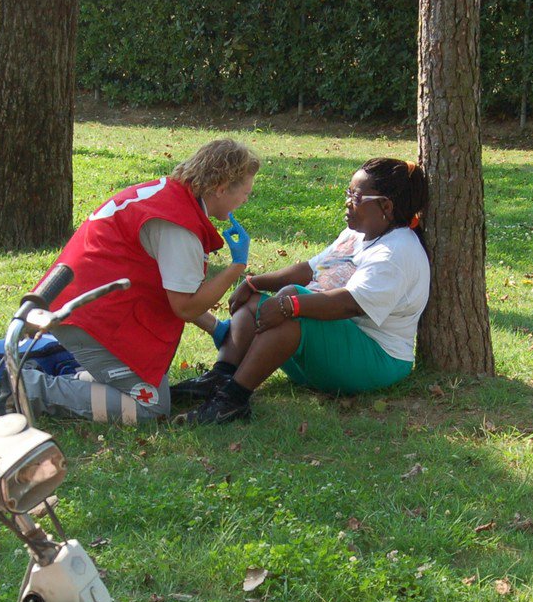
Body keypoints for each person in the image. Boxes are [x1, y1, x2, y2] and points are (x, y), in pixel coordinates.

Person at [18, 138, 259, 425]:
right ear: (220, 188)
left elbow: (168, 283)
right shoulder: (179, 225)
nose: (245, 200)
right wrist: (236, 267)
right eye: (245, 192)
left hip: (76, 302)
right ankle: (28, 389)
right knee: (150, 407)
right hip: (89, 317)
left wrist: (215, 327)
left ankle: (66, 380)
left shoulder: (170, 195)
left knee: (143, 387)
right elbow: (184, 306)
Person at [175, 157, 430, 426]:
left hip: (377, 359)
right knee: (255, 300)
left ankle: (232, 400)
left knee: (291, 303)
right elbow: (310, 269)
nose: (347, 202)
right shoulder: (358, 232)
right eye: (348, 193)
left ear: (386, 206)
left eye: (355, 197)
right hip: (334, 351)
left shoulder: (395, 252)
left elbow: (350, 304)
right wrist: (254, 283)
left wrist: (291, 306)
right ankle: (221, 376)